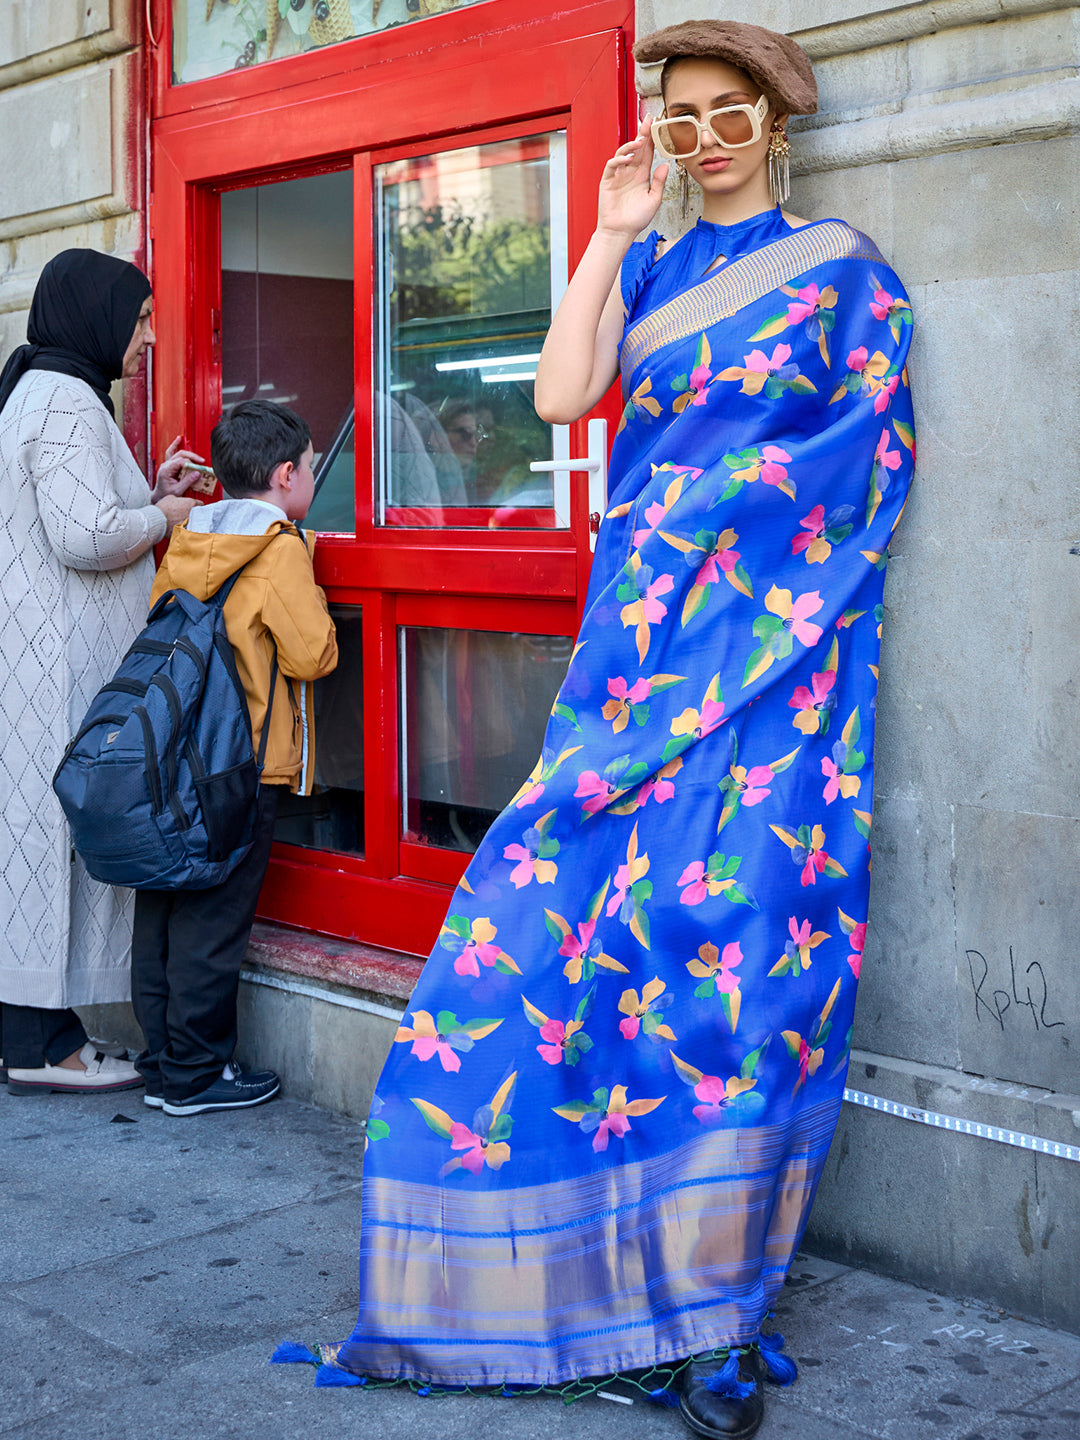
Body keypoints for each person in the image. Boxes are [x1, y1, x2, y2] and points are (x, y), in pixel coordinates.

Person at [318, 20, 914, 1440]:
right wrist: (602, 233)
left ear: (778, 127)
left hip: (770, 684)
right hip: (630, 674)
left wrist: (717, 532)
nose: (704, 141)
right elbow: (561, 397)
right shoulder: (648, 262)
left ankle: (705, 1309)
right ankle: (532, 1279)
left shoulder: (844, 276)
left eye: (730, 117)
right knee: (550, 940)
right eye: (683, 116)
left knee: (739, 967)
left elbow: (864, 470)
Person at [0, 249, 202, 1095]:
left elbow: (76, 511)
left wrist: (151, 489)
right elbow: (84, 538)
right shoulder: (66, 402)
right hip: (56, 675)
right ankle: (45, 1045)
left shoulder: (38, 392)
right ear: (96, 314)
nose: (150, 335)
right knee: (53, 844)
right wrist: (165, 513)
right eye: (142, 316)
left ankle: (38, 1033)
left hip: (39, 666)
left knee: (36, 843)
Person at [131, 399, 338, 1117]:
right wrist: (307, 564)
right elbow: (313, 654)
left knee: (162, 907)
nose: (311, 477)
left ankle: (161, 1060)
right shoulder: (279, 548)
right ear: (287, 475)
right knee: (215, 921)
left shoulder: (191, 538)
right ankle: (194, 1074)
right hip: (241, 763)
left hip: (177, 758)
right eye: (311, 467)